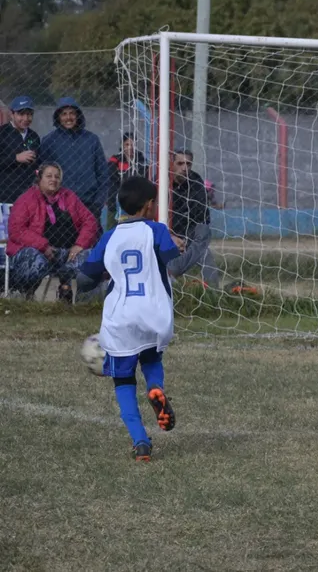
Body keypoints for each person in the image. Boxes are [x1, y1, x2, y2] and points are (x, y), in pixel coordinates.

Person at [78, 177, 180, 462]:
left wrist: (102, 273)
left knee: (123, 380)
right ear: (149, 205)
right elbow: (175, 264)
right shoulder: (156, 230)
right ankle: (155, 388)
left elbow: (84, 280)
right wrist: (190, 246)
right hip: (153, 315)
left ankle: (140, 442)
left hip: (120, 318)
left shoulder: (110, 236)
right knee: (151, 360)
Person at [5, 162, 100, 302]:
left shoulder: (69, 196)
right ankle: (23, 295)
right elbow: (16, 230)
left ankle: (78, 298)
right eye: (49, 176)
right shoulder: (26, 199)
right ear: (40, 178)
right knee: (34, 260)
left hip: (67, 253)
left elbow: (90, 221)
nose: (53, 179)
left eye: (57, 176)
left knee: (92, 257)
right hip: (39, 252)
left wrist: (80, 244)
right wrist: (43, 246)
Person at [40, 97, 107, 225]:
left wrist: (97, 204)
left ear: (78, 115)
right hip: (60, 205)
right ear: (58, 117)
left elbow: (103, 174)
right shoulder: (48, 141)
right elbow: (42, 175)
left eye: (72, 113)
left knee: (91, 236)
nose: (68, 117)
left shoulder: (92, 140)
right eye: (64, 114)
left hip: (89, 204)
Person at [168, 149, 219, 288]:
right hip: (165, 234)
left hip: (188, 235)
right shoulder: (160, 181)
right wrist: (170, 236)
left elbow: (202, 217)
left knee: (206, 257)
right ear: (171, 164)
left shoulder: (196, 182)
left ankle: (213, 292)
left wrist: (189, 238)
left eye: (188, 164)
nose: (185, 168)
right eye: (180, 163)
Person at [0, 96, 42, 204]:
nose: (26, 118)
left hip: (28, 196)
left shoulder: (34, 136)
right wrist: (16, 158)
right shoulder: (2, 133)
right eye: (21, 114)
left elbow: (38, 163)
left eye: (29, 114)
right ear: (12, 114)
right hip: (5, 196)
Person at [107, 132, 148, 226]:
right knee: (112, 228)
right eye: (127, 144)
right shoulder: (115, 160)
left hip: (136, 203)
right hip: (115, 203)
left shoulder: (141, 161)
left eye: (133, 144)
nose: (130, 147)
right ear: (122, 145)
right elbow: (112, 181)